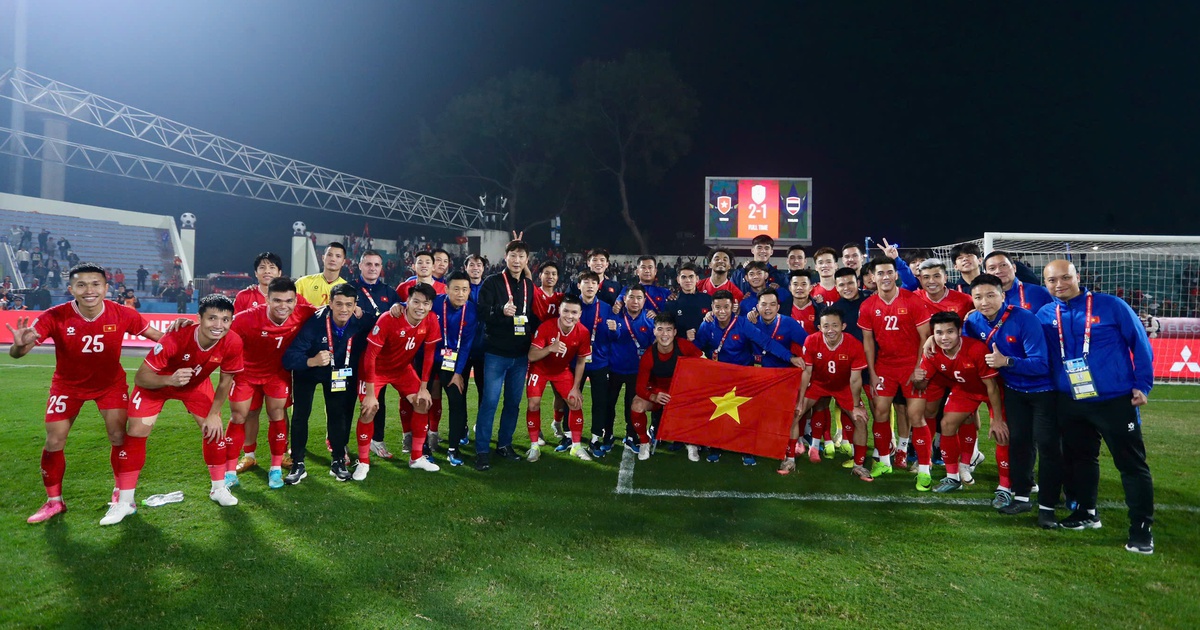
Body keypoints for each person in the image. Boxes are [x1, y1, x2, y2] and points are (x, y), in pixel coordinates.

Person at [8, 263, 167, 524]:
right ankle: (54, 502)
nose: (89, 290)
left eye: (95, 284)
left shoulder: (123, 314)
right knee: (54, 441)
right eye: (81, 285)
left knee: (118, 437)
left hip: (110, 385)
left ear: (106, 287)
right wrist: (18, 347)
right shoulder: (54, 316)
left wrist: (191, 341)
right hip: (67, 387)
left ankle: (120, 494)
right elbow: (19, 352)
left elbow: (158, 336)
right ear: (71, 289)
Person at [1037, 259, 1155, 553]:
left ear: (1078, 277)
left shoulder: (1111, 305)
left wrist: (1143, 384)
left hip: (1115, 400)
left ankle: (1141, 527)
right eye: (1052, 280)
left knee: (1131, 464)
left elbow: (1139, 344)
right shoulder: (1045, 314)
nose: (1059, 284)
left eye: (1065, 278)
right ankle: (1087, 513)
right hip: (1070, 401)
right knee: (1080, 459)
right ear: (1045, 283)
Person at [106, 294, 244, 525]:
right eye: (212, 318)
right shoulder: (175, 339)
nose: (218, 325)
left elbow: (225, 381)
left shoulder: (233, 341)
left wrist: (213, 414)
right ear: (198, 318)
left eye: (225, 319)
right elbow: (141, 378)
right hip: (157, 383)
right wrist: (170, 380)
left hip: (195, 385)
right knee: (136, 432)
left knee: (214, 429)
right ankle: (125, 503)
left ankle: (219, 489)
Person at [964, 273, 1058, 524]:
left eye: (990, 295)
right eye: (978, 297)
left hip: (1043, 392)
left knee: (1048, 446)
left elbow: (1041, 364)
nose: (984, 302)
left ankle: (1049, 504)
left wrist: (1007, 362)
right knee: (1019, 443)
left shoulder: (1024, 319)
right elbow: (961, 345)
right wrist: (931, 339)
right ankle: (1023, 498)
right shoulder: (973, 321)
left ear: (1003, 296)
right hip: (1015, 392)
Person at [226, 277, 317, 488]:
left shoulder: (304, 312)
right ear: (266, 299)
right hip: (246, 373)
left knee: (277, 415)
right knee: (240, 416)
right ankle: (233, 468)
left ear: (296, 300)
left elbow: (329, 312)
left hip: (277, 374)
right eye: (277, 300)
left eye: (289, 301)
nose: (283, 306)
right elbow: (218, 328)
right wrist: (184, 324)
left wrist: (356, 310)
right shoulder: (245, 319)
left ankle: (275, 469)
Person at [694, 289, 802, 464]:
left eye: (726, 307)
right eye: (717, 307)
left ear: (733, 308)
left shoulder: (743, 324)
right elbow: (696, 348)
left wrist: (790, 357)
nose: (722, 311)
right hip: (719, 375)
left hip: (743, 375)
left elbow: (766, 342)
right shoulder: (706, 325)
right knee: (717, 411)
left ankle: (747, 448)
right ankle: (716, 446)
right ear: (711, 308)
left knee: (746, 413)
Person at [920, 311, 1009, 501]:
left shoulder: (976, 349)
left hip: (992, 391)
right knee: (947, 424)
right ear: (932, 334)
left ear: (960, 331)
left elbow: (991, 386)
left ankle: (1005, 487)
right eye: (939, 333)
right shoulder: (932, 350)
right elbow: (923, 380)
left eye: (950, 332)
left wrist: (997, 419)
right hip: (965, 389)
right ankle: (953, 478)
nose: (944, 337)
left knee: (1001, 434)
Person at [859, 257, 933, 486]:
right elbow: (868, 343)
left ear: (896, 274)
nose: (885, 277)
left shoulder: (912, 301)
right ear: (873, 277)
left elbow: (926, 338)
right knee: (880, 412)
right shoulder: (868, 306)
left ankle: (924, 469)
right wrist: (872, 372)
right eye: (880, 273)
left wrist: (920, 367)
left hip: (911, 365)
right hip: (885, 366)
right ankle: (883, 461)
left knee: (916, 416)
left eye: (889, 272)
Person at [281, 284, 366, 483]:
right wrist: (312, 361)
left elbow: (382, 320)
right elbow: (289, 358)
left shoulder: (360, 321)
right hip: (308, 371)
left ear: (355, 306)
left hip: (336, 374)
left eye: (349, 304)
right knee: (301, 415)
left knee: (338, 415)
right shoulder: (315, 323)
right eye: (339, 304)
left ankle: (338, 461)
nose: (343, 309)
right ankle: (298, 464)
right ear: (330, 303)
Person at [358, 283, 442, 478]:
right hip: (376, 370)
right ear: (407, 301)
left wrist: (423, 387)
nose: (420, 307)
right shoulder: (389, 318)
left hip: (402, 369)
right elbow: (370, 356)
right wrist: (370, 394)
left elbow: (429, 355)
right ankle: (363, 462)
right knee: (368, 409)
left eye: (426, 303)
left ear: (430, 306)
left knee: (423, 402)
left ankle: (416, 458)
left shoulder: (430, 320)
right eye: (416, 301)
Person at [781, 309, 870, 478]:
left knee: (860, 419)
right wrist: (800, 401)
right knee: (795, 413)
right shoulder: (812, 340)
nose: (830, 330)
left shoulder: (854, 344)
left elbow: (855, 379)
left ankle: (859, 465)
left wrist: (857, 405)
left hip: (843, 387)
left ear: (843, 326)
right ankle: (789, 459)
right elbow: (807, 373)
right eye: (826, 326)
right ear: (819, 327)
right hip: (818, 384)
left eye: (835, 325)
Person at [474, 240, 538, 470]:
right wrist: (500, 311)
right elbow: (481, 312)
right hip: (496, 353)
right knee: (490, 402)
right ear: (506, 257)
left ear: (527, 260)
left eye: (521, 256)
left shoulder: (530, 286)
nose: (517, 260)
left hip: (520, 355)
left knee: (513, 403)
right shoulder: (492, 282)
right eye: (513, 255)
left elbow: (533, 315)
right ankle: (482, 450)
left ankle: (504, 444)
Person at [525, 294, 591, 462]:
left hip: (561, 370)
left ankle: (576, 446)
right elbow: (531, 356)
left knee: (574, 402)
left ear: (580, 314)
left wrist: (576, 387)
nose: (570, 316)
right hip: (539, 369)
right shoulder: (547, 327)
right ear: (559, 311)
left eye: (574, 312)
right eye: (566, 311)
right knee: (533, 404)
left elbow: (582, 361)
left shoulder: (583, 332)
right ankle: (534, 447)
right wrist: (550, 348)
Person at [630, 311, 704, 460]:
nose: (664, 334)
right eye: (660, 329)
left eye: (668, 330)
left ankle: (692, 442)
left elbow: (704, 364)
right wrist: (654, 396)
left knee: (701, 403)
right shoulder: (649, 356)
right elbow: (640, 387)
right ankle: (645, 442)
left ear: (675, 332)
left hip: (682, 394)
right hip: (659, 394)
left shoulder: (684, 346)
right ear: (654, 331)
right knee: (637, 404)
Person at [350, 250, 402, 459]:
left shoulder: (390, 293)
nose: (372, 268)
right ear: (360, 265)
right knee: (345, 401)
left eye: (377, 265)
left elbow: (396, 319)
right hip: (352, 353)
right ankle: (340, 444)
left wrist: (367, 317)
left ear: (382, 268)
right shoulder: (350, 289)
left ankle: (376, 441)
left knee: (377, 400)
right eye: (368, 264)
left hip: (379, 357)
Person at [432, 272, 477, 467]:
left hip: (452, 363)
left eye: (465, 289)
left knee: (457, 401)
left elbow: (466, 345)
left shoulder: (472, 311)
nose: (460, 294)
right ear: (446, 289)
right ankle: (421, 447)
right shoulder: (434, 302)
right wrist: (399, 306)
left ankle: (453, 448)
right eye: (456, 289)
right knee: (422, 401)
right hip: (428, 359)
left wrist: (458, 372)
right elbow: (413, 306)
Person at [606, 285, 656, 455]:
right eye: (631, 297)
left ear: (644, 300)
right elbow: (609, 338)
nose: (635, 301)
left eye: (639, 298)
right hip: (614, 369)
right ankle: (608, 435)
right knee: (609, 404)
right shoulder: (614, 316)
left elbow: (652, 348)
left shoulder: (650, 321)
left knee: (632, 406)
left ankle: (631, 435)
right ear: (624, 299)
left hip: (637, 372)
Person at [573, 271, 615, 455]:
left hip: (599, 363)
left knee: (600, 402)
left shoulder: (607, 308)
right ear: (578, 285)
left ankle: (596, 437)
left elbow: (615, 336)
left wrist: (615, 331)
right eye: (585, 282)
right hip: (576, 362)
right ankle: (571, 436)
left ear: (598, 286)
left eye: (593, 282)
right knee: (573, 400)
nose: (590, 285)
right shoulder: (571, 306)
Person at [984, 251, 1052, 312]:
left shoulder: (1040, 293)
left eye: (1003, 265)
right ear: (986, 274)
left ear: (1014, 268)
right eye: (992, 268)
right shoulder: (983, 298)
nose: (998, 271)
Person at [663, 262, 713, 342]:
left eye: (691, 277)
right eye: (684, 277)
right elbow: (667, 330)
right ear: (678, 279)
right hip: (681, 348)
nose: (688, 280)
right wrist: (684, 336)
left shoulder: (708, 300)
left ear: (697, 279)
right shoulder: (671, 303)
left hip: (706, 349)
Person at [295, 241, 348, 306]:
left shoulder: (347, 287)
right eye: (329, 255)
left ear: (343, 262)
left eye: (338, 256)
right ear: (323, 258)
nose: (333, 259)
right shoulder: (302, 283)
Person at [786, 269, 821, 334]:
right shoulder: (782, 309)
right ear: (790, 288)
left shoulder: (820, 309)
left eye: (803, 284)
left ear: (810, 288)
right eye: (795, 284)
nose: (799, 287)